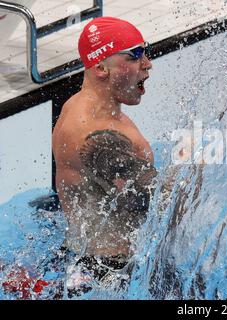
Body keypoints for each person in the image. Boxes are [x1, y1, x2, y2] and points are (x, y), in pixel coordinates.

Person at [52, 16, 156, 294]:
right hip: (109, 273)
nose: (147, 64)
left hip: (93, 259)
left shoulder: (96, 108)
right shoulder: (92, 133)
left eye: (145, 52)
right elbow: (152, 201)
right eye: (134, 56)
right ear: (100, 67)